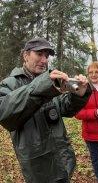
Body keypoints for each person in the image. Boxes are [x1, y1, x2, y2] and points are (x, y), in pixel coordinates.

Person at [0, 37, 92, 183]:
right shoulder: (9, 84)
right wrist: (42, 86)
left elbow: (65, 107)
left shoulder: (50, 81)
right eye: (39, 54)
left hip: (62, 161)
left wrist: (78, 96)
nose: (44, 60)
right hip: (38, 168)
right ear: (26, 55)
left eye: (47, 56)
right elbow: (5, 116)